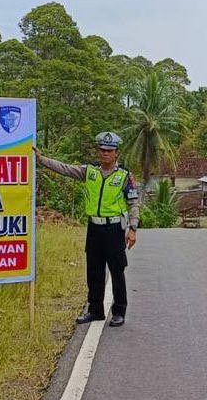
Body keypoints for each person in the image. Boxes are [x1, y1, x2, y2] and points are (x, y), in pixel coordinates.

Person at [34, 131, 139, 327]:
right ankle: (95, 310)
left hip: (114, 228)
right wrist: (41, 159)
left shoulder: (124, 176)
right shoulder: (90, 172)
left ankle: (119, 311)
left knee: (117, 270)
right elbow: (65, 169)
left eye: (109, 150)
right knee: (94, 270)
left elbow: (133, 203)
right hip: (94, 228)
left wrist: (133, 228)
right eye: (102, 150)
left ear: (117, 153)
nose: (105, 153)